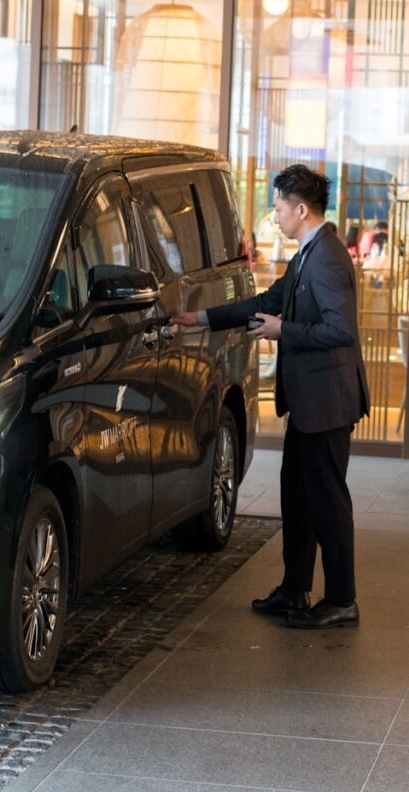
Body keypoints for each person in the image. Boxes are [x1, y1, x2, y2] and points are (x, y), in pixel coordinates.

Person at [170, 164, 370, 629]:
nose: (274, 216)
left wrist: (285, 331)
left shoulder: (327, 258)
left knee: (327, 503)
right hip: (308, 403)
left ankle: (342, 600)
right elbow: (266, 300)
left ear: (301, 209)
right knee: (296, 497)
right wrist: (199, 319)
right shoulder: (307, 253)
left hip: (327, 404)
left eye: (279, 207)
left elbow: (341, 331)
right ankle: (294, 592)